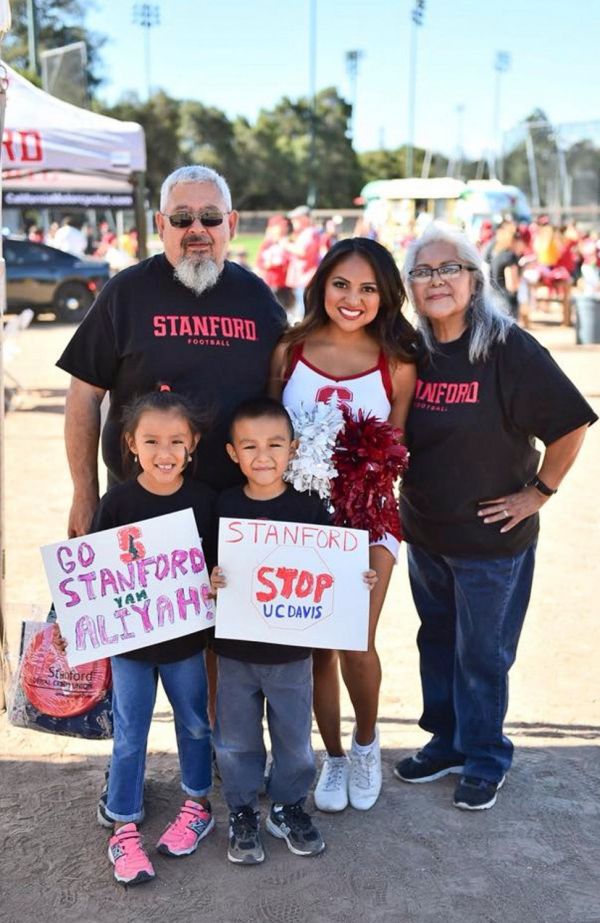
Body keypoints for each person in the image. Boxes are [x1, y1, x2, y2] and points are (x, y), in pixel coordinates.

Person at [394, 222, 597, 810]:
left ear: (475, 279)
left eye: (449, 268)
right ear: (410, 285)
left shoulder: (507, 347)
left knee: (482, 652)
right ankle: (447, 742)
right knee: (436, 639)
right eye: (423, 271)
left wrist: (539, 491)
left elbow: (571, 424)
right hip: (426, 530)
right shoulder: (412, 350)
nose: (437, 280)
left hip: (492, 541)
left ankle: (485, 755)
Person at [56, 165, 286, 539]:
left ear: (231, 223)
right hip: (139, 513)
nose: (197, 229)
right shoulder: (125, 293)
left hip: (235, 514)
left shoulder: (258, 298)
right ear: (162, 226)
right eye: (182, 218)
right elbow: (83, 393)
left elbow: (282, 388)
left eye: (210, 217)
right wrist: (84, 494)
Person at [270, 238, 417, 812]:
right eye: (341, 285)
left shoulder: (398, 362)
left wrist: (362, 463)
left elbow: (396, 448)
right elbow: (268, 431)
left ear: (385, 296)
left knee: (356, 639)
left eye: (367, 289)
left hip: (371, 517)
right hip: (303, 518)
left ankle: (365, 743)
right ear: (320, 285)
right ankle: (331, 757)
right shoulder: (289, 349)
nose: (352, 299)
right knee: (315, 650)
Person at [58, 387, 218, 885]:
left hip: (186, 645)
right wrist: (72, 624)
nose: (164, 453)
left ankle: (197, 803)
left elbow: (218, 566)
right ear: (130, 444)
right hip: (129, 648)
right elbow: (92, 580)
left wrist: (216, 578)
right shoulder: (117, 503)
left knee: (194, 723)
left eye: (176, 441)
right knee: (130, 733)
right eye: (151, 441)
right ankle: (123, 822)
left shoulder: (205, 502)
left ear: (193, 443)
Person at [210, 397, 377, 864]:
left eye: (275, 445)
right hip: (235, 651)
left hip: (290, 655)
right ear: (232, 454)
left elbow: (333, 569)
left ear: (293, 449)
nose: (263, 457)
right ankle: (243, 811)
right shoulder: (222, 505)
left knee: (294, 742)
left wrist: (356, 579)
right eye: (250, 447)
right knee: (237, 740)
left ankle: (287, 808)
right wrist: (214, 577)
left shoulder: (309, 510)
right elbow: (206, 566)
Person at [283, 205, 322, 321]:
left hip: (305, 278)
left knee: (302, 310)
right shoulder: (306, 233)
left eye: (296, 219)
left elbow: (302, 252)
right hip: (302, 278)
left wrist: (285, 244)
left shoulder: (310, 232)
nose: (293, 222)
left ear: (304, 219)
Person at [255, 215, 295, 316]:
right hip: (272, 282)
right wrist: (269, 264)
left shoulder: (289, 242)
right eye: (281, 227)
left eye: (285, 227)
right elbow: (259, 263)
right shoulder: (267, 244)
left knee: (288, 312)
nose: (284, 229)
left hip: (287, 284)